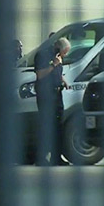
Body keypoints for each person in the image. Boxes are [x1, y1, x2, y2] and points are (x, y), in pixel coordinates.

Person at [34, 37, 70, 166]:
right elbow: (40, 75)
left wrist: (63, 81)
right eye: (65, 52)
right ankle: (40, 157)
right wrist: (53, 64)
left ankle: (56, 157)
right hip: (46, 95)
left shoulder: (57, 56)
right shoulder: (43, 55)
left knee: (58, 126)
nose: (65, 55)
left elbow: (57, 72)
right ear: (59, 48)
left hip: (57, 94)